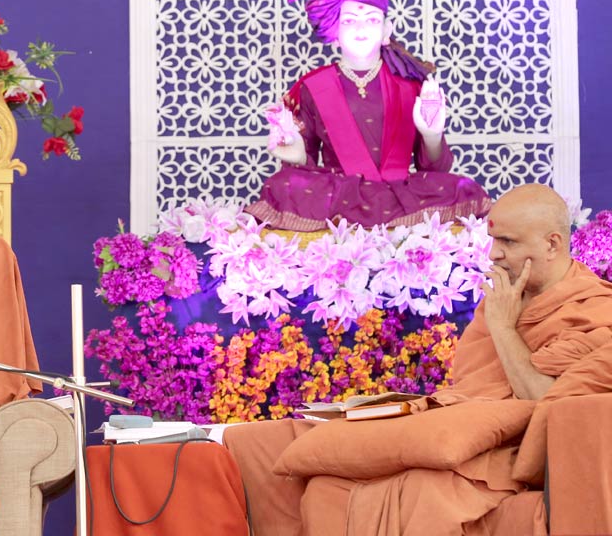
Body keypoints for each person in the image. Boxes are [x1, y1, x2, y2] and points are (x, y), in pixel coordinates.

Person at [225, 184, 612, 534]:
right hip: (460, 425)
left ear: (552, 244)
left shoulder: (594, 309)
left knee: (423, 492)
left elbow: (545, 400)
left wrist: (504, 329)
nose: (494, 254)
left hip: (504, 447)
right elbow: (473, 387)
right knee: (303, 468)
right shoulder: (507, 297)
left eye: (508, 242)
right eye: (493, 240)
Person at [246, 0, 490, 231]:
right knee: (282, 185)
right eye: (350, 20)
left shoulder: (411, 85)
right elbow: (304, 165)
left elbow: (435, 170)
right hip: (339, 193)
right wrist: (298, 156)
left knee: (463, 187)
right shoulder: (313, 86)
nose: (361, 29)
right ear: (334, 31)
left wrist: (432, 135)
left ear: (386, 30)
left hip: (401, 192)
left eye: (372, 19)